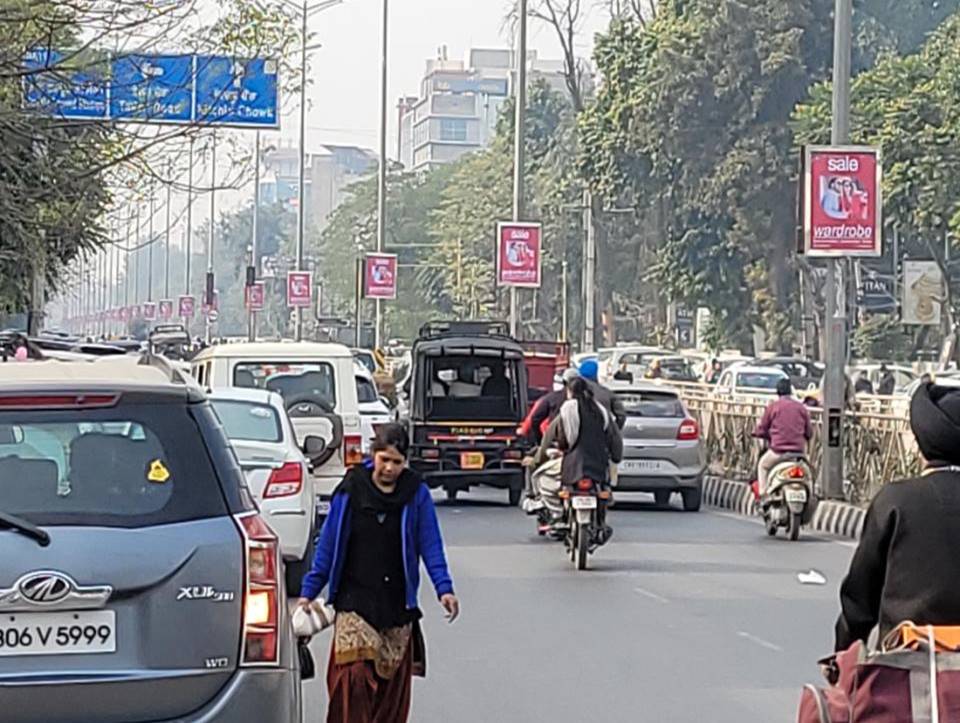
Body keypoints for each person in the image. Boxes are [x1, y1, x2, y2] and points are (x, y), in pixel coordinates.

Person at [298, 423, 459, 723]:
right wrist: (309, 591)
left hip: (397, 604)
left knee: (389, 692)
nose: (389, 468)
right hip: (354, 600)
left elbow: (431, 543)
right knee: (353, 677)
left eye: (397, 462)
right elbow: (328, 545)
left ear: (405, 462)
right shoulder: (350, 491)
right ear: (373, 455)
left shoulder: (416, 494)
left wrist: (444, 588)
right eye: (384, 459)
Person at [835, 383, 960, 651]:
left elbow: (859, 600)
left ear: (922, 443)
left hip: (905, 668)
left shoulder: (895, 501)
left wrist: (844, 653)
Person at [531, 377, 623, 526]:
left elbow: (550, 437)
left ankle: (557, 513)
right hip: (599, 465)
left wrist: (538, 460)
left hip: (571, 464)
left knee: (540, 478)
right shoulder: (602, 411)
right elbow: (615, 438)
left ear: (569, 391)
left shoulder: (567, 410)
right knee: (608, 488)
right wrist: (616, 457)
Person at [752, 379, 812, 495]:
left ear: (778, 392)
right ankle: (812, 494)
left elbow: (762, 428)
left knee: (762, 466)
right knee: (809, 474)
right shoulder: (801, 408)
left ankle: (763, 493)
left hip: (778, 452)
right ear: (790, 391)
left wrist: (756, 433)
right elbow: (809, 432)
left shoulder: (773, 407)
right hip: (798, 454)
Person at [577, 358, 626, 429]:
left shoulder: (573, 391)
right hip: (602, 434)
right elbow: (621, 416)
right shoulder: (607, 393)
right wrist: (613, 430)